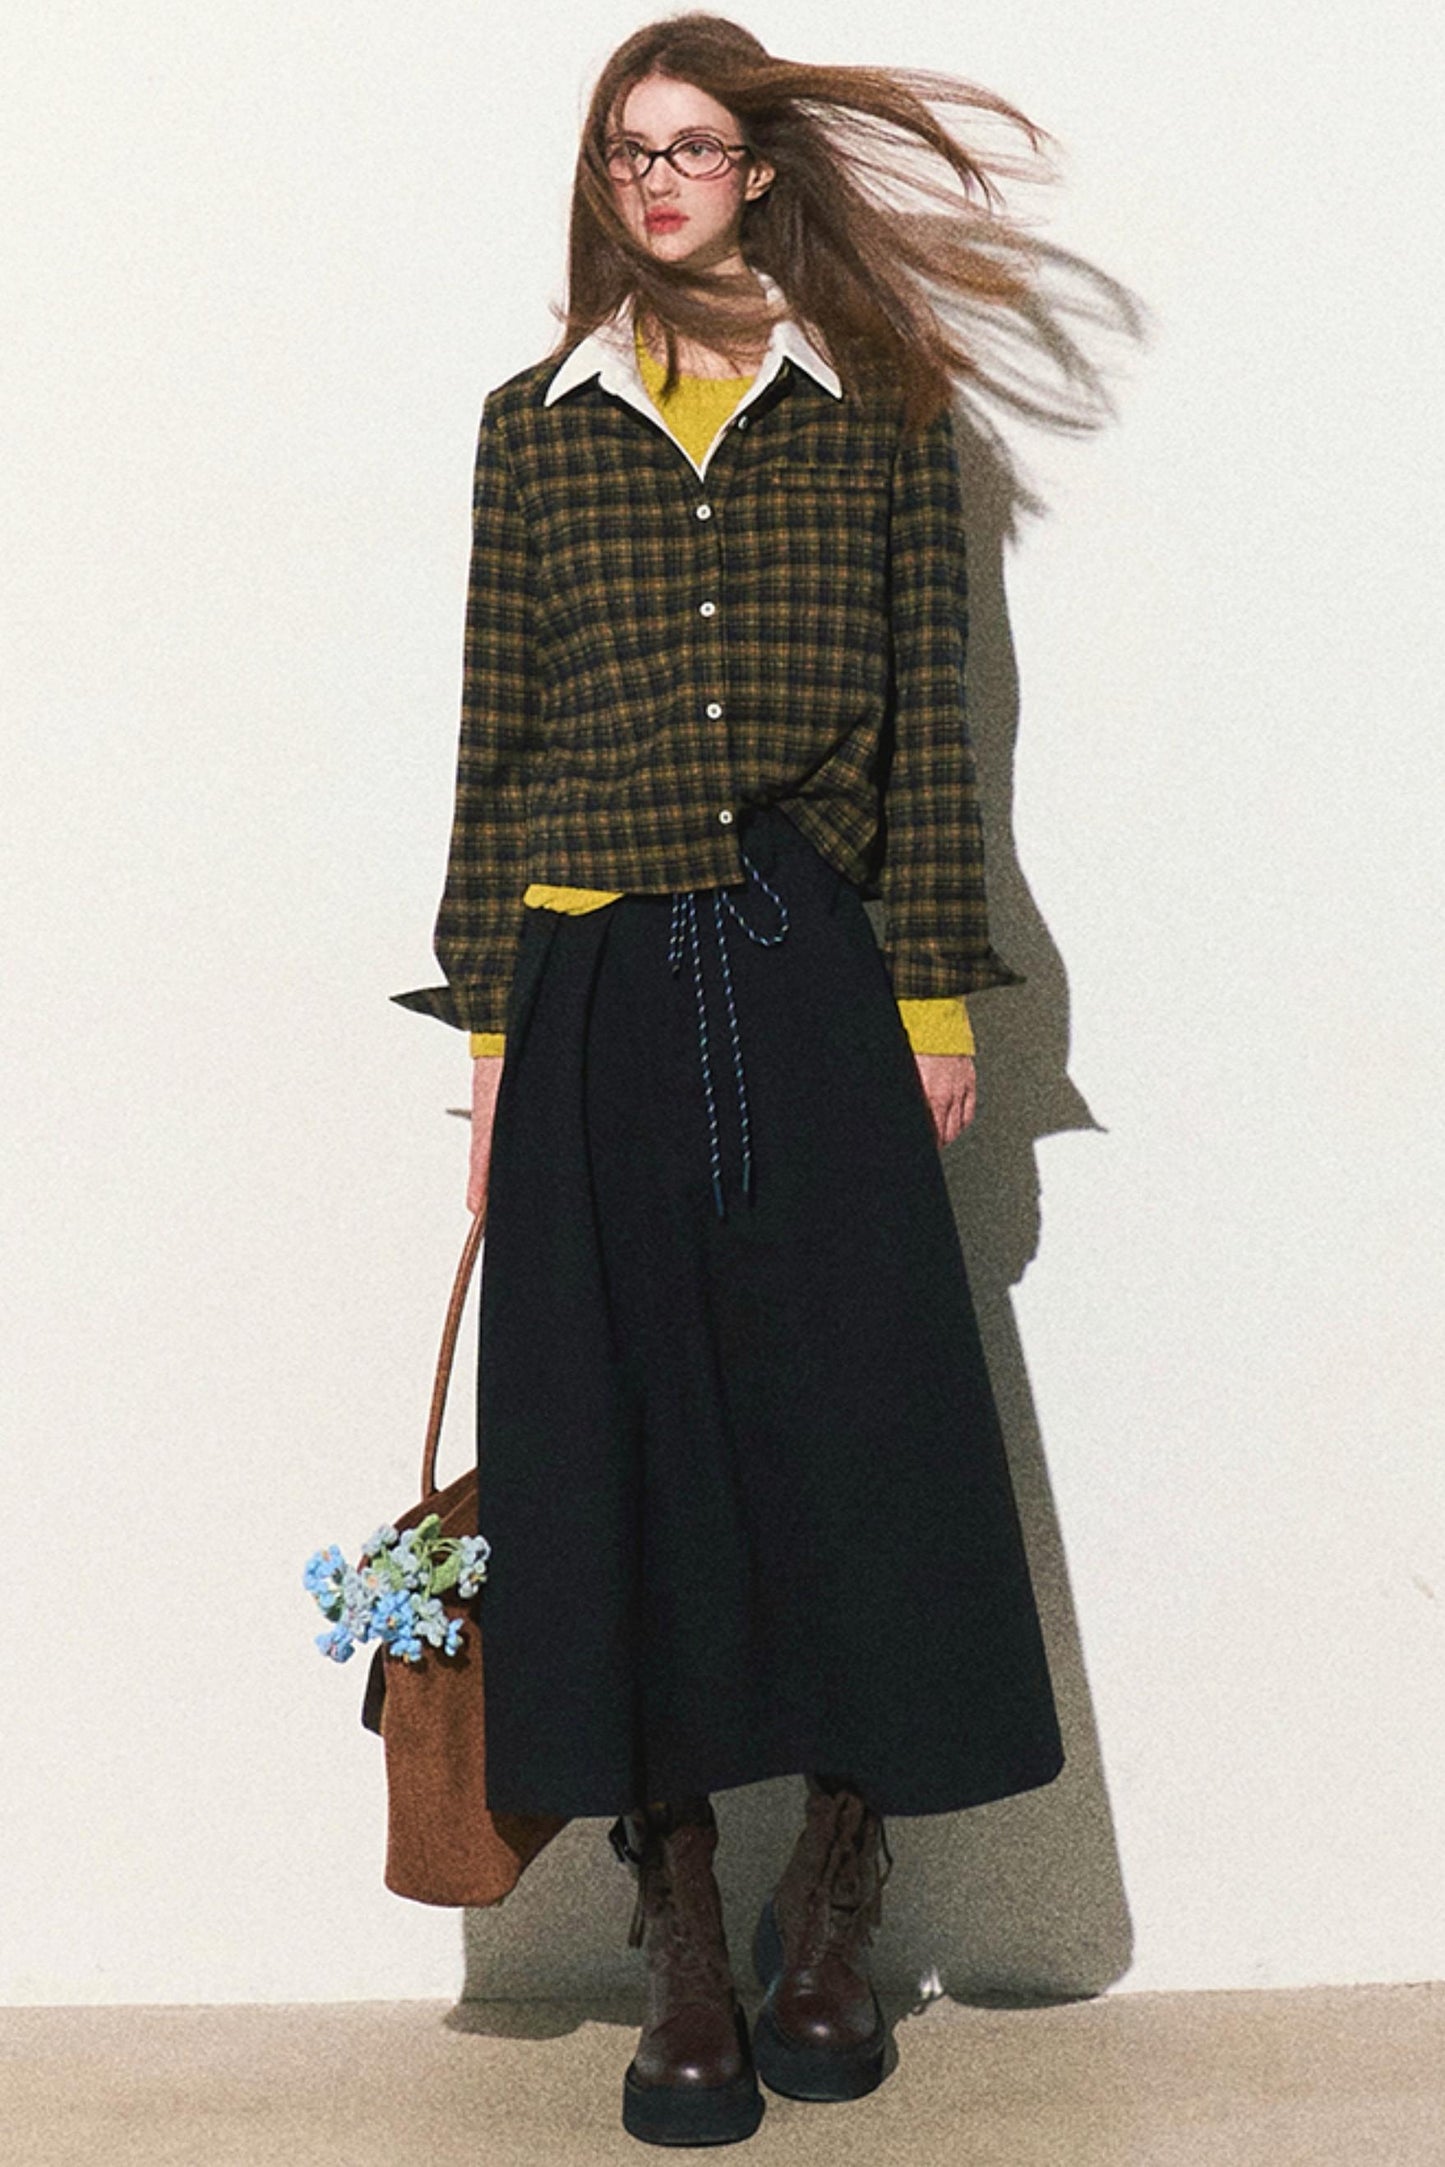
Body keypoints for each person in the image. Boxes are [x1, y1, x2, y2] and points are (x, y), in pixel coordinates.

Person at [395, 12, 1065, 2148]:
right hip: (591, 974)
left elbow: (941, 735)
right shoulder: (533, 429)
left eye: (690, 147)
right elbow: (496, 739)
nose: (657, 182)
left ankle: (835, 1892)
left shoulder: (882, 418)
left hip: (808, 959)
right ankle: (675, 1914)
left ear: (759, 168)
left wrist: (934, 1005)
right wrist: (489, 1035)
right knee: (619, 1443)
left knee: (858, 1426)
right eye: (627, 153)